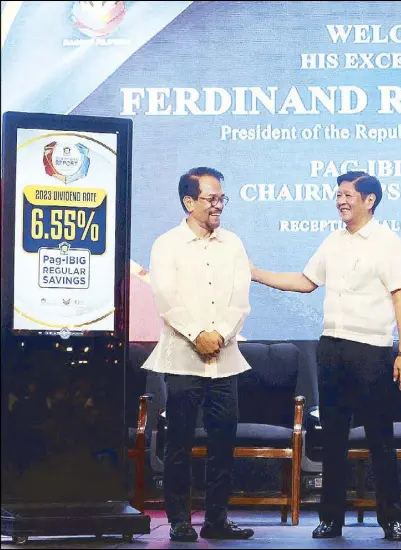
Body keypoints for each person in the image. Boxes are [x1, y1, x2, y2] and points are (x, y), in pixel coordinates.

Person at [251, 171, 401, 542]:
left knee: (380, 440)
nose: (340, 201)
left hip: (372, 350)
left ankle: (392, 519)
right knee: (334, 438)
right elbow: (307, 282)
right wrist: (256, 274)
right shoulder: (333, 241)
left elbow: (400, 297)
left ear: (369, 200)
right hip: (332, 348)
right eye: (337, 195)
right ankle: (330, 519)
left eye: (347, 195)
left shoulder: (387, 242)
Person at [142, 167, 254, 542]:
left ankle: (217, 518)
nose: (218, 205)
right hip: (182, 356)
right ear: (189, 202)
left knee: (223, 443)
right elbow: (165, 298)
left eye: (221, 198)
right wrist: (197, 334)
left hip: (225, 358)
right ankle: (178, 519)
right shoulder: (166, 244)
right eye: (211, 198)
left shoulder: (234, 244)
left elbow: (240, 300)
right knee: (179, 442)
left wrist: (219, 334)